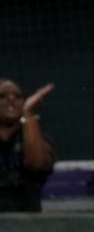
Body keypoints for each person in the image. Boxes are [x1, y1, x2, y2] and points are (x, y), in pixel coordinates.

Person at [0, 77, 55, 212]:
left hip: (28, 226)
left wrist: (27, 112)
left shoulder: (38, 138)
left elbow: (37, 164)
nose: (11, 99)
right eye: (2, 95)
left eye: (18, 96)